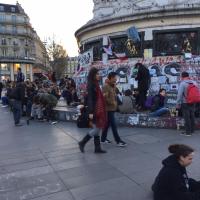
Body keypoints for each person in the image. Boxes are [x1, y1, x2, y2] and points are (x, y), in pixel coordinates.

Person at [78, 67, 107, 154]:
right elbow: (90, 99)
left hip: (96, 109)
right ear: (93, 75)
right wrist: (91, 112)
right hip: (94, 110)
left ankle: (97, 148)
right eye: (97, 74)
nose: (99, 75)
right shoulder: (91, 85)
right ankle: (82, 142)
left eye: (99, 74)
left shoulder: (95, 84)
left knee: (96, 128)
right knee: (97, 129)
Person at [101, 72, 127, 147]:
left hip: (112, 108)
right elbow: (104, 97)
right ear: (111, 77)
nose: (116, 79)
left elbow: (115, 95)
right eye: (115, 77)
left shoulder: (112, 86)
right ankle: (118, 141)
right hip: (108, 109)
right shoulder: (106, 86)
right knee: (113, 125)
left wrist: (115, 87)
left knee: (107, 125)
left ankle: (103, 139)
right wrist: (113, 103)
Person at [177, 72, 196, 136]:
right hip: (193, 101)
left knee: (187, 117)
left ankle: (188, 132)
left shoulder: (183, 83)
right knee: (192, 116)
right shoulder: (194, 82)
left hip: (185, 102)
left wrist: (178, 103)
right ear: (188, 76)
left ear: (182, 77)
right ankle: (192, 130)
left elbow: (179, 94)